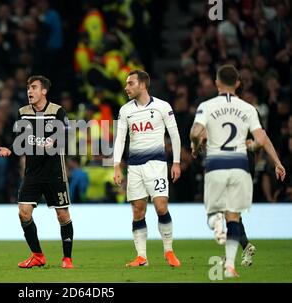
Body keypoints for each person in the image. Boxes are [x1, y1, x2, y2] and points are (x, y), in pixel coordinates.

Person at [190, 65, 286, 278]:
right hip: (241, 165)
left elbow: (196, 132)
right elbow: (261, 138)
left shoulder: (206, 106)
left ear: (216, 83)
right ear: (238, 83)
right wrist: (274, 160)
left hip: (216, 164)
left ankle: (215, 222)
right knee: (233, 216)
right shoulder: (249, 108)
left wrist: (196, 147)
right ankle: (230, 266)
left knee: (216, 212)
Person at [0, 75, 74, 269]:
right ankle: (37, 255)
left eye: (34, 87)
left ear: (44, 91)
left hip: (55, 171)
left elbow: (67, 131)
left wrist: (54, 140)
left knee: (62, 215)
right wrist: (10, 150)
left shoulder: (57, 111)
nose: (29, 91)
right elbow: (19, 139)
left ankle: (67, 258)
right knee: (24, 213)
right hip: (32, 172)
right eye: (28, 88)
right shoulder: (23, 112)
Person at [113, 70, 182, 268]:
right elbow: (120, 139)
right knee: (138, 212)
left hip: (157, 164)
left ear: (142, 85)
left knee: (161, 206)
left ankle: (168, 251)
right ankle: (141, 256)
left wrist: (176, 162)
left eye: (130, 83)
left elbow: (175, 135)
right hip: (134, 167)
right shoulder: (125, 110)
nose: (126, 87)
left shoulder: (162, 106)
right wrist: (117, 165)